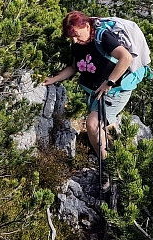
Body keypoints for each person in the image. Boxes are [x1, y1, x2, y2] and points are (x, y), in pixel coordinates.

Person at [42, 10, 135, 191]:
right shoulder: (78, 43)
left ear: (86, 26)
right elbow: (74, 67)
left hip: (116, 89)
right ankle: (121, 157)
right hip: (97, 92)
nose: (74, 41)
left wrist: (109, 82)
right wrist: (53, 79)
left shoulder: (103, 37)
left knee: (93, 124)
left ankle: (107, 169)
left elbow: (126, 58)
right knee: (104, 128)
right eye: (71, 37)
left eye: (76, 35)